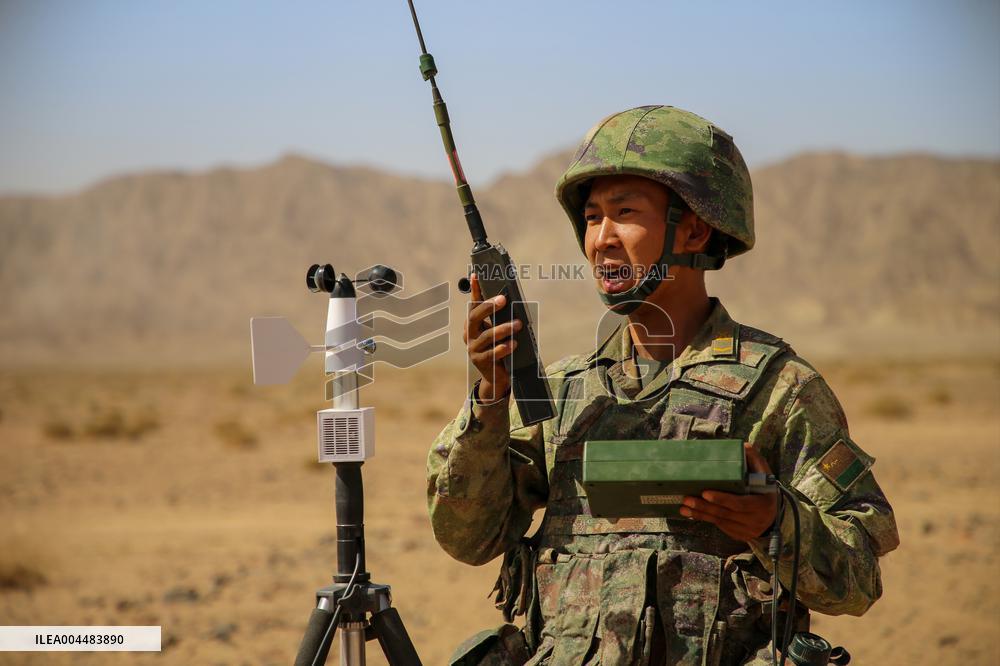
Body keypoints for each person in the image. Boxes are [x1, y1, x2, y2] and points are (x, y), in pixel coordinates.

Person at [426, 105, 899, 666]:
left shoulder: (781, 389)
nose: (601, 239)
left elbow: (860, 575)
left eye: (624, 213)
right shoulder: (559, 395)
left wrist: (775, 521)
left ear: (695, 227)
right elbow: (468, 538)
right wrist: (489, 397)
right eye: (593, 217)